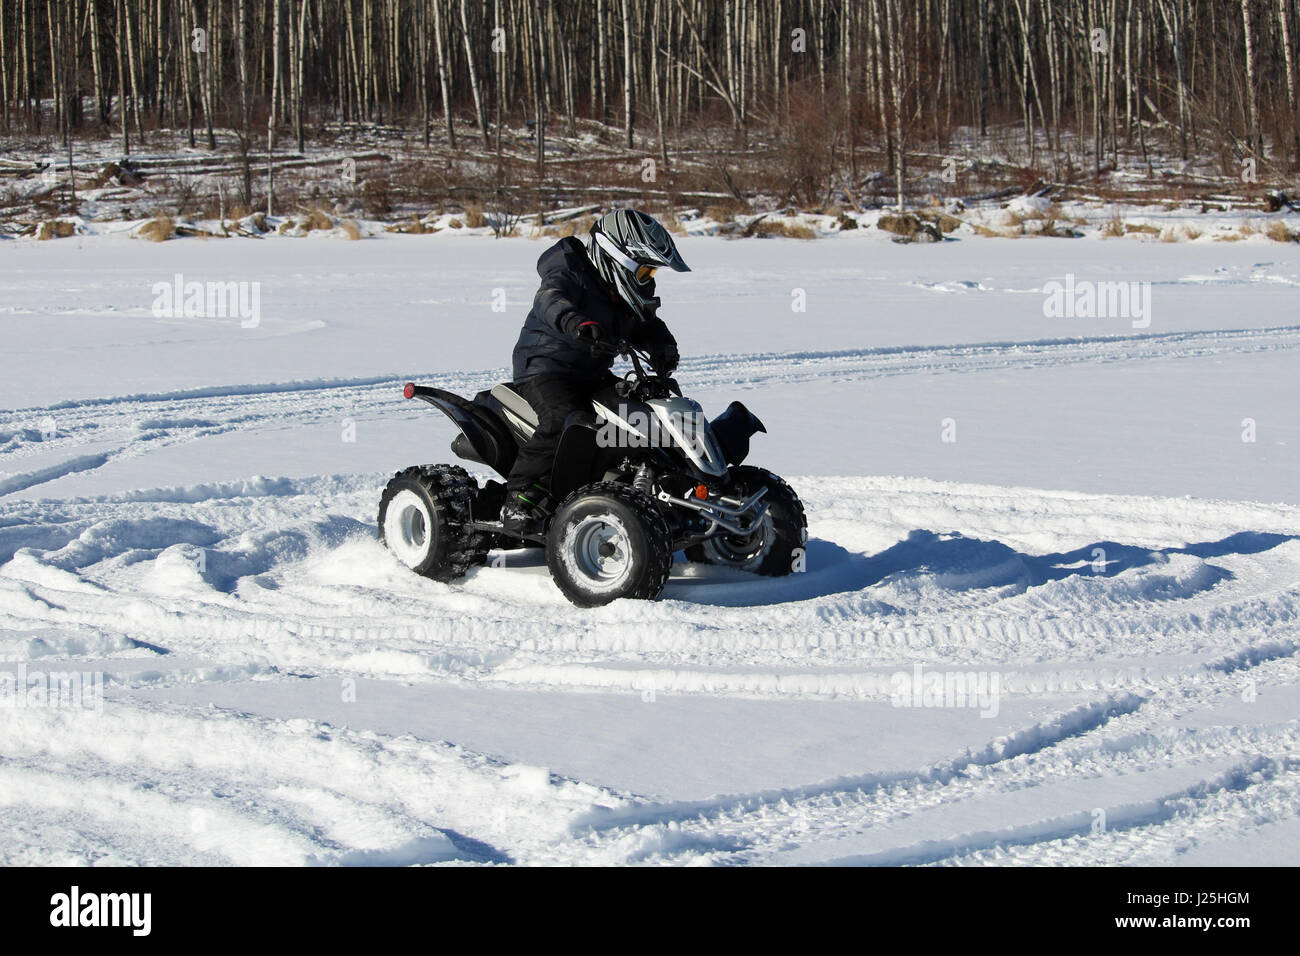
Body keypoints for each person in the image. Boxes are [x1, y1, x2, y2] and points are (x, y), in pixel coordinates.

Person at [502, 209, 690, 534]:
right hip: (546, 369)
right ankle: (519, 498)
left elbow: (647, 324)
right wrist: (579, 324)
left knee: (641, 417)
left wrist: (663, 346)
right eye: (644, 270)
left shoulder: (623, 293)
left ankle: (650, 489)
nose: (648, 279)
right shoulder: (569, 274)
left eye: (651, 273)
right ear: (617, 258)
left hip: (591, 373)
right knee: (562, 419)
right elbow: (551, 301)